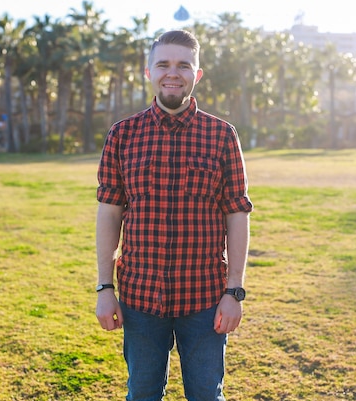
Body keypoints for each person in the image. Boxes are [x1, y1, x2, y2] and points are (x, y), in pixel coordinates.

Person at [95, 29, 253, 401]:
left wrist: (234, 292)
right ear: (148, 71)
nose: (172, 73)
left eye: (183, 65)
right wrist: (105, 288)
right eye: (163, 64)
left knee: (205, 395)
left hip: (205, 299)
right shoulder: (123, 135)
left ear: (197, 74)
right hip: (140, 297)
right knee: (143, 393)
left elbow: (237, 214)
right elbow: (108, 214)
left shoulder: (222, 135)